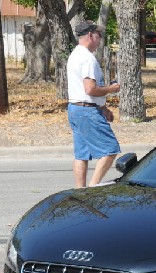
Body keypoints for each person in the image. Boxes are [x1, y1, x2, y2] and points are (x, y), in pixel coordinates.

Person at [67, 20, 121, 188]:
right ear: (90, 35)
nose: (100, 39)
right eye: (99, 35)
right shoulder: (88, 59)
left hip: (75, 108)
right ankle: (93, 187)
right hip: (87, 111)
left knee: (81, 155)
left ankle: (80, 190)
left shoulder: (75, 54)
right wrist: (112, 89)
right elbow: (90, 89)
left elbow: (84, 92)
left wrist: (103, 107)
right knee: (111, 150)